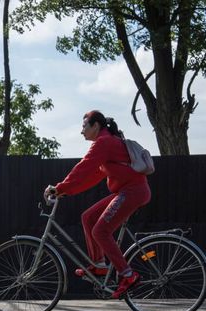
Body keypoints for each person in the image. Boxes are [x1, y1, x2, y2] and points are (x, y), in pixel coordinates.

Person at [44, 110, 152, 299]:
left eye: (84, 126)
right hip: (127, 191)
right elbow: (91, 176)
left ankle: (128, 275)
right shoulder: (107, 144)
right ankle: (99, 266)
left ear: (96, 126)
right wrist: (64, 191)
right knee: (88, 217)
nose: (81, 131)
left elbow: (83, 167)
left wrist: (59, 187)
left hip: (133, 191)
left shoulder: (104, 142)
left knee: (100, 231)